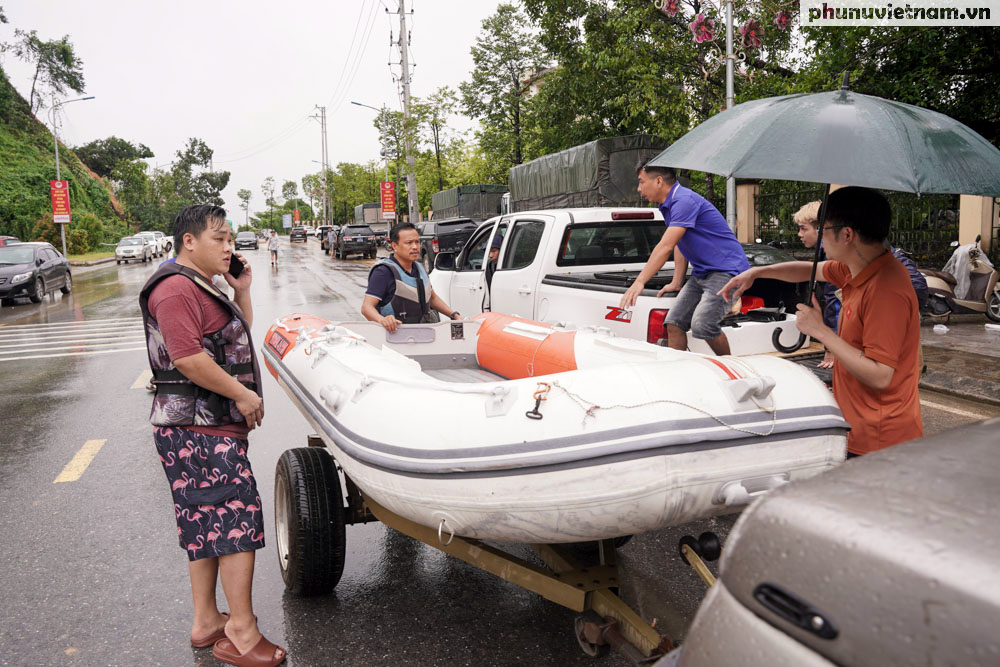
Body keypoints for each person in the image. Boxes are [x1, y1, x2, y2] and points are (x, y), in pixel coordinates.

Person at [139, 205, 286, 667]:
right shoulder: (175, 289)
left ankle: (206, 621)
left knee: (203, 521)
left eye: (230, 239)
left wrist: (242, 292)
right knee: (236, 518)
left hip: (200, 427)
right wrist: (243, 395)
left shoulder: (203, 283)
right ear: (189, 241)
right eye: (219, 239)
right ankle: (241, 630)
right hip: (198, 430)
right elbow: (187, 359)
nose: (229, 247)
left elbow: (234, 332)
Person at [719, 187, 922, 457]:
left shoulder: (885, 289)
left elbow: (881, 375)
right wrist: (757, 272)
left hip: (880, 438)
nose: (820, 239)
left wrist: (820, 331)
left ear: (847, 234)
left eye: (823, 229)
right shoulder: (858, 267)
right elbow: (806, 269)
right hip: (859, 425)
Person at [620, 160, 750, 355]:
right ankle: (678, 372)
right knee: (673, 323)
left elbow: (665, 247)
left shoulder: (684, 201)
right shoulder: (668, 205)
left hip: (728, 272)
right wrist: (676, 281)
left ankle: (733, 370)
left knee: (703, 325)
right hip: (703, 273)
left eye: (641, 182)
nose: (639, 189)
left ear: (658, 181)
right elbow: (680, 243)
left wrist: (640, 281)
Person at [362, 222, 461, 331]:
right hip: (394, 338)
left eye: (417, 242)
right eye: (409, 243)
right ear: (394, 246)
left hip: (423, 336)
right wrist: (383, 320)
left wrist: (454, 315)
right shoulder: (383, 272)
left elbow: (432, 298)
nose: (415, 247)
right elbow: (367, 308)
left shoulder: (420, 268)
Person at [794, 201, 840, 369]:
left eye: (804, 228)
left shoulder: (831, 254)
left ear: (820, 229)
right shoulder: (826, 250)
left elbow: (835, 303)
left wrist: (831, 348)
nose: (799, 234)